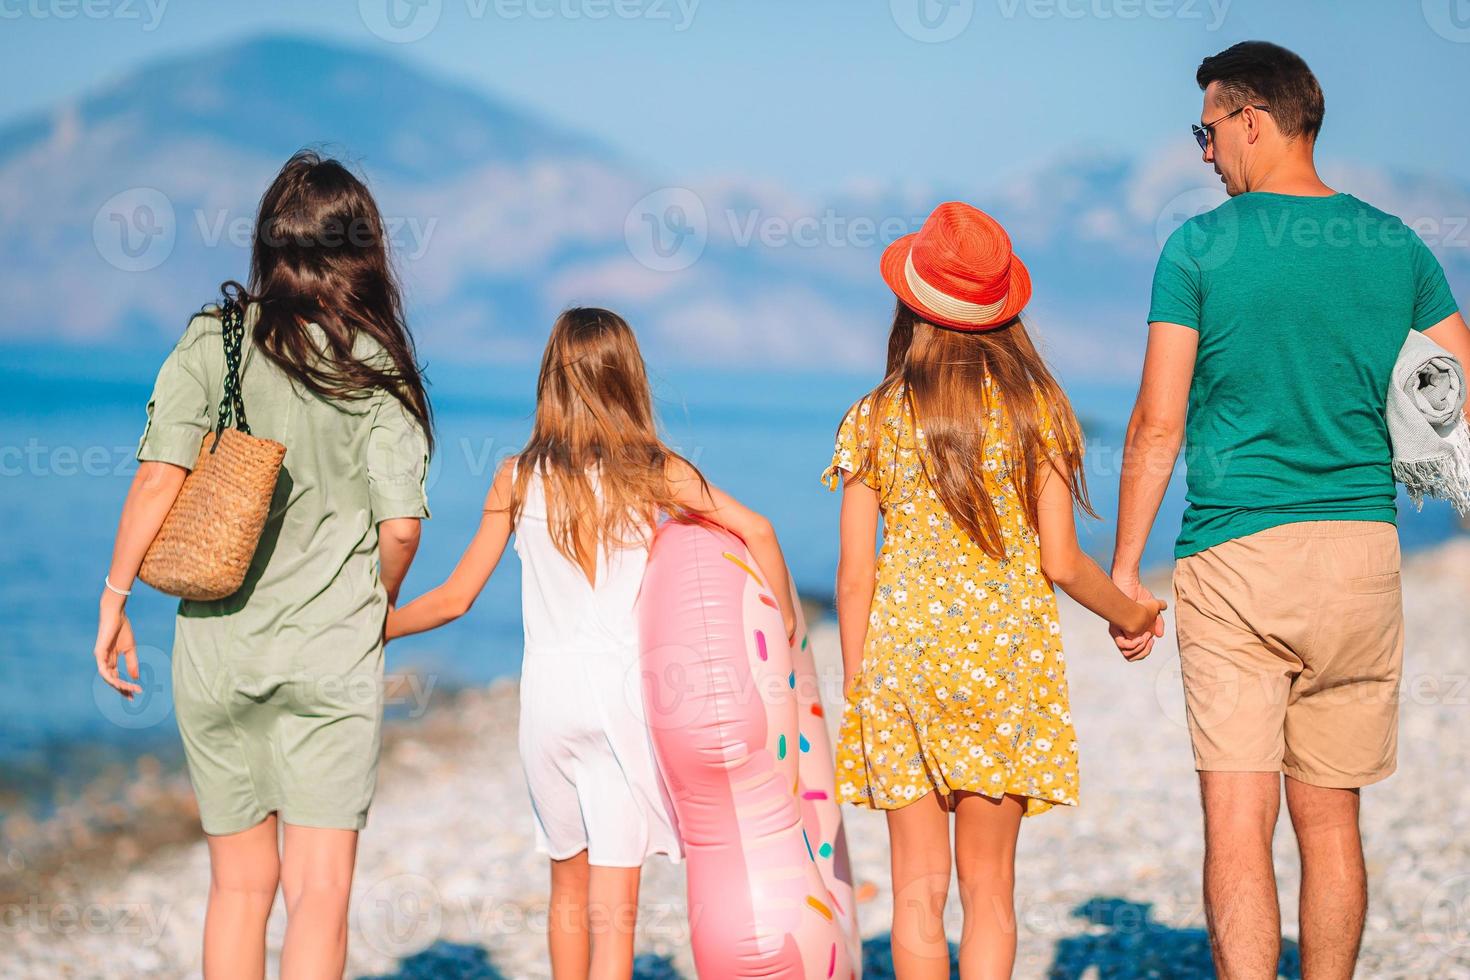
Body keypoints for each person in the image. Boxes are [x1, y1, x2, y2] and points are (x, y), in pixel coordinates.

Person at [1112, 41, 1470, 979]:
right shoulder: (1394, 243)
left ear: (1251, 122)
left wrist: (1123, 568)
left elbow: (1157, 420)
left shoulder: (1198, 246)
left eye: (1205, 129)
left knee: (1238, 824)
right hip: (1362, 554)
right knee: (1333, 819)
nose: (1202, 152)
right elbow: (1460, 391)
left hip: (1239, 557)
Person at [92, 151, 434, 978]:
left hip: (218, 653)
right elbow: (401, 530)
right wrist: (373, 606)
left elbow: (155, 480)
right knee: (319, 895)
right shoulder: (375, 364)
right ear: (365, 249)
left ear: (269, 242)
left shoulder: (216, 341)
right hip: (330, 659)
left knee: (239, 890)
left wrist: (114, 602)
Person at [385, 307, 798, 980]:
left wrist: (374, 629)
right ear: (629, 378)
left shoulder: (515, 477)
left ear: (552, 379)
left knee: (565, 886)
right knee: (614, 908)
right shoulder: (652, 471)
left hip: (545, 704)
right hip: (618, 702)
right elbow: (760, 529)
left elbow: (456, 598)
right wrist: (779, 633)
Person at [823, 201, 1165, 978]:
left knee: (915, 890)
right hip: (1004, 666)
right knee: (990, 890)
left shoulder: (873, 418)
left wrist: (859, 685)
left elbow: (854, 576)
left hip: (901, 667)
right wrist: (1132, 613)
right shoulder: (1035, 408)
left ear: (911, 305)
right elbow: (1063, 561)